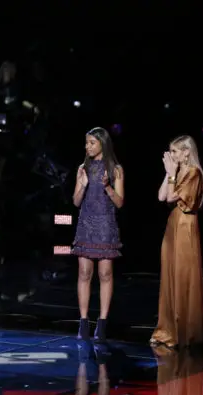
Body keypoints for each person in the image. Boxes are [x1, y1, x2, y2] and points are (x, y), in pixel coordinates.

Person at [151, 135, 203, 349]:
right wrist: (169, 174)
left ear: (187, 152)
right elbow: (161, 196)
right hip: (172, 227)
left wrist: (171, 174)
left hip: (185, 227)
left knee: (183, 276)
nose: (173, 155)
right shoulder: (176, 173)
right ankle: (167, 329)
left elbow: (170, 198)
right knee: (170, 276)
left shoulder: (194, 174)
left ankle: (184, 331)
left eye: (176, 151)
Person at [72, 127, 124, 342]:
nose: (88, 146)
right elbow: (75, 202)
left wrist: (107, 187)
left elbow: (120, 202)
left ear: (103, 143)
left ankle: (102, 323)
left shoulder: (115, 169)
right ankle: (83, 322)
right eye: (86, 143)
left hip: (105, 226)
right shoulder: (83, 168)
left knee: (105, 274)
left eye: (92, 142)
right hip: (86, 223)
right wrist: (83, 186)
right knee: (84, 273)